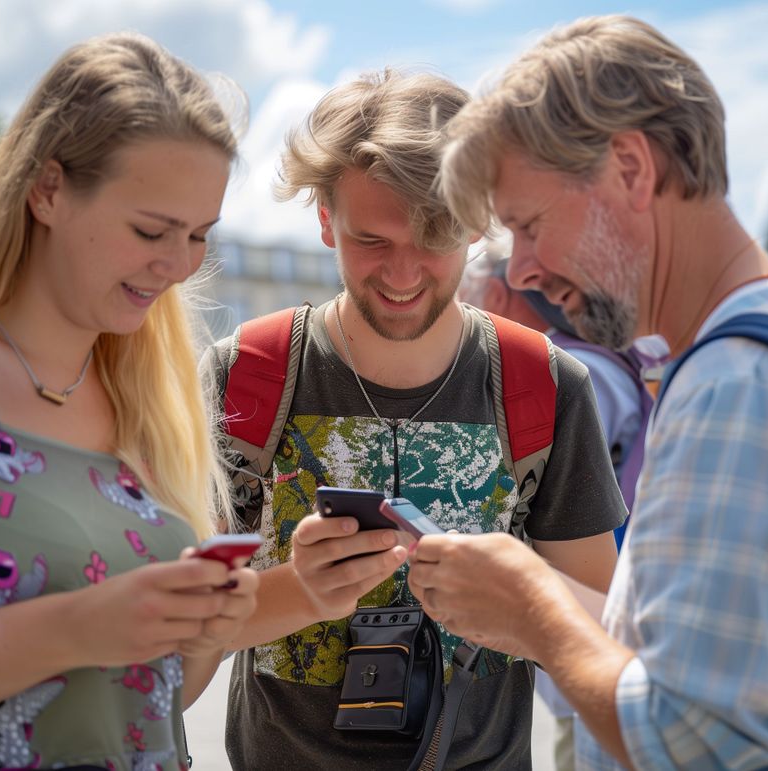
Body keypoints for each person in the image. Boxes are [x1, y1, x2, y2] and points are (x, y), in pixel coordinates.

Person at [408, 14, 768, 770]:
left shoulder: (738, 387)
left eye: (529, 225)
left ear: (630, 168)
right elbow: (678, 661)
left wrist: (533, 608)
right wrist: (517, 600)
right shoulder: (754, 347)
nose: (521, 269)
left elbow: (692, 743)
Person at [201, 69, 627, 770]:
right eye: (372, 240)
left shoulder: (546, 386)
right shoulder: (244, 376)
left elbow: (604, 637)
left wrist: (518, 601)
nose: (402, 275)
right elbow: (176, 649)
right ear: (324, 218)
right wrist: (297, 590)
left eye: (435, 238)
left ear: (479, 221)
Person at [0, 33, 259, 769]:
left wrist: (205, 633)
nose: (177, 265)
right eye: (150, 230)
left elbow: (150, 704)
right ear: (47, 189)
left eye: (198, 236)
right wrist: (73, 629)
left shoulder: (151, 399)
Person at [458, 246, 654, 771]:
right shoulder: (606, 361)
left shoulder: (561, 374)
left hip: (592, 649)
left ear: (494, 296)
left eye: (465, 303)